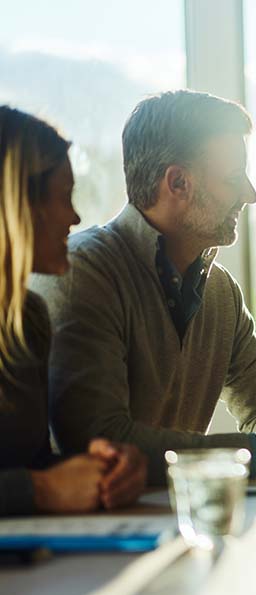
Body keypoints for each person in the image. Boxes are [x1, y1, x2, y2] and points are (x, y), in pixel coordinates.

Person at [30, 90, 256, 485]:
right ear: (177, 182)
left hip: (176, 522)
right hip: (93, 535)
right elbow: (97, 439)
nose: (250, 194)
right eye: (232, 178)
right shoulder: (83, 272)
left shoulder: (220, 291)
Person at [0, 106, 147, 515]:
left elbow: (26, 465)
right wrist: (40, 490)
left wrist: (107, 469)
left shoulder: (26, 319)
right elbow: (33, 483)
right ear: (17, 205)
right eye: (64, 197)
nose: (75, 217)